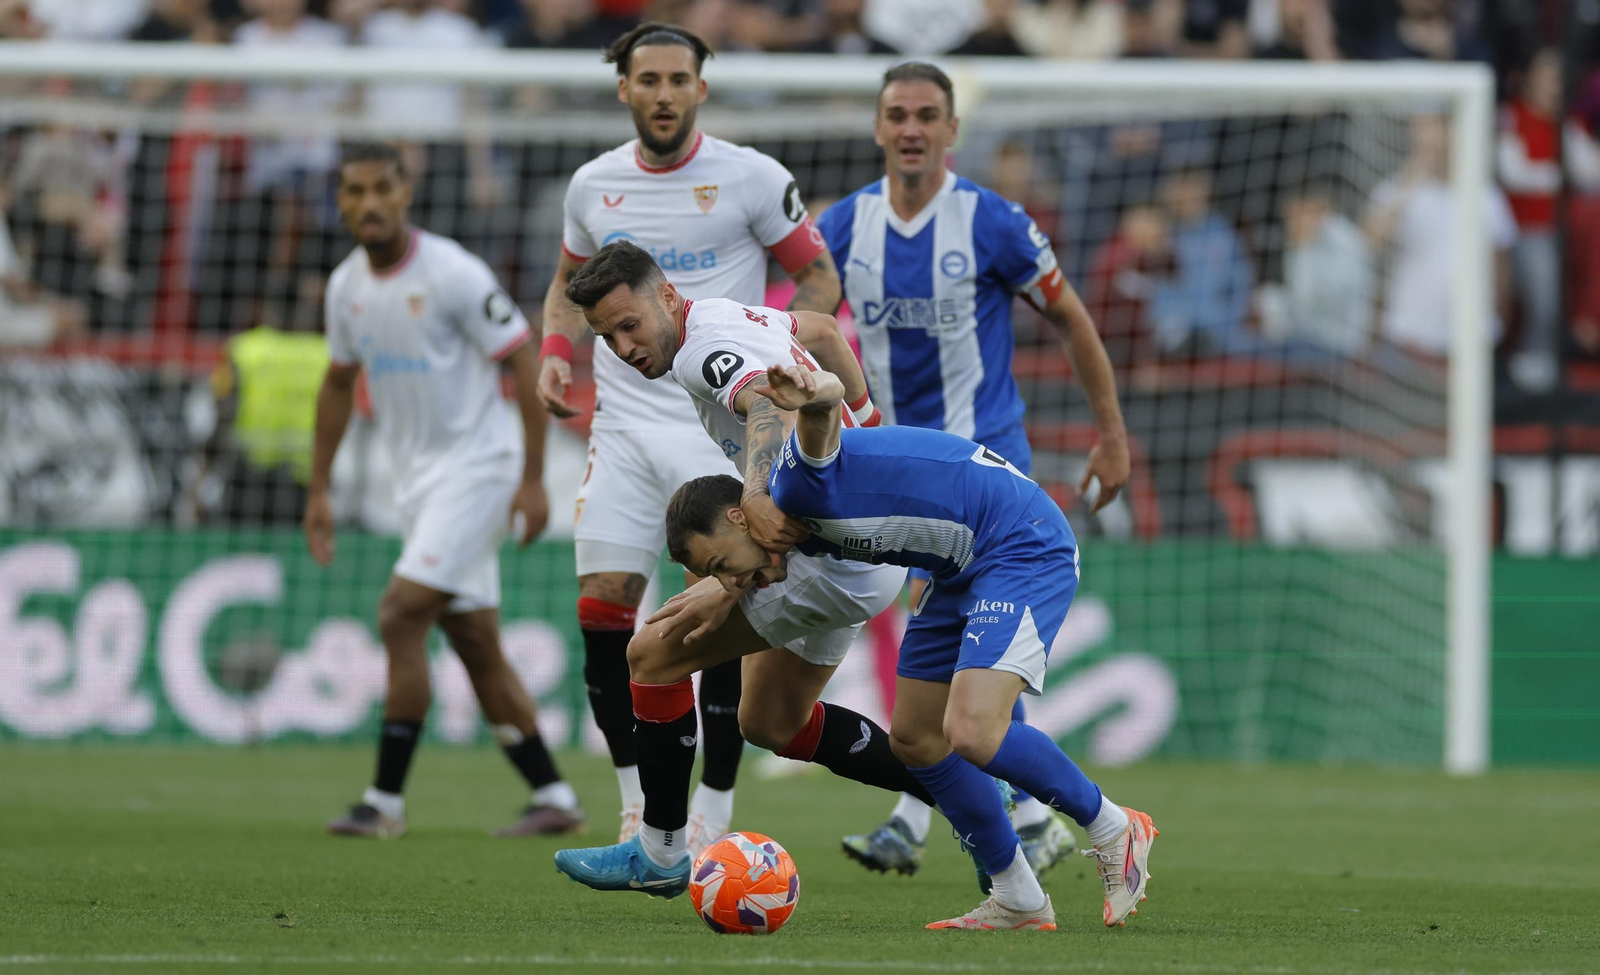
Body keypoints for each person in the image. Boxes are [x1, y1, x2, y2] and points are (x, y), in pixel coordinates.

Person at [664, 362, 1158, 931]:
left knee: (973, 732)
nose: (730, 582)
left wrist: (817, 391)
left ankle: (1114, 827)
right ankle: (1018, 897)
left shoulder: (793, 483)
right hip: (952, 568)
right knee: (917, 740)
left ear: (738, 516)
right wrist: (725, 590)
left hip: (1020, 543)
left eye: (723, 566)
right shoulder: (778, 529)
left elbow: (822, 412)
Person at [815, 61, 1130, 881]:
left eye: (928, 114)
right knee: (949, 671)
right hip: (898, 471)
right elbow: (803, 325)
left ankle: (928, 820)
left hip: (989, 470)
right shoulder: (845, 227)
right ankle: (1023, 821)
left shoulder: (993, 223)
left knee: (958, 669)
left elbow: (1070, 317)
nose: (912, 128)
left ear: (953, 130)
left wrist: (1111, 433)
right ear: (878, 128)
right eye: (898, 114)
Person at [550, 241, 942, 898]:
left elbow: (768, 403)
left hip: (833, 553)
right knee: (771, 723)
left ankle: (661, 850)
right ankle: (981, 800)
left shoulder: (705, 351)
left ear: (666, 297)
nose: (622, 347)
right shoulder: (735, 316)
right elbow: (819, 329)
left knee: (650, 653)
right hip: (857, 542)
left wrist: (756, 496)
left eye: (629, 325)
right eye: (605, 336)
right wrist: (867, 422)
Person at [535, 22, 844, 853]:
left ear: (701, 88)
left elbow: (819, 277)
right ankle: (639, 804)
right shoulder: (591, 186)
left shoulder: (751, 176)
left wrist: (768, 340)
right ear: (625, 89)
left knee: (708, 608)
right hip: (625, 420)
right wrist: (557, 353)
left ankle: (712, 803)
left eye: (680, 79)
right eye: (649, 80)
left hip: (725, 413)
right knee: (602, 607)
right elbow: (567, 286)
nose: (664, 93)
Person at [307, 143, 581, 839]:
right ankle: (554, 794)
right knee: (475, 640)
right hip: (420, 484)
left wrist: (529, 477)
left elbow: (520, 359)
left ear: (405, 194)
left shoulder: (453, 272)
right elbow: (338, 382)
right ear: (341, 201)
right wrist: (317, 490)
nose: (368, 204)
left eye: (381, 189)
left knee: (401, 614)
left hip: (479, 469)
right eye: (354, 191)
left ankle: (384, 802)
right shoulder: (346, 288)